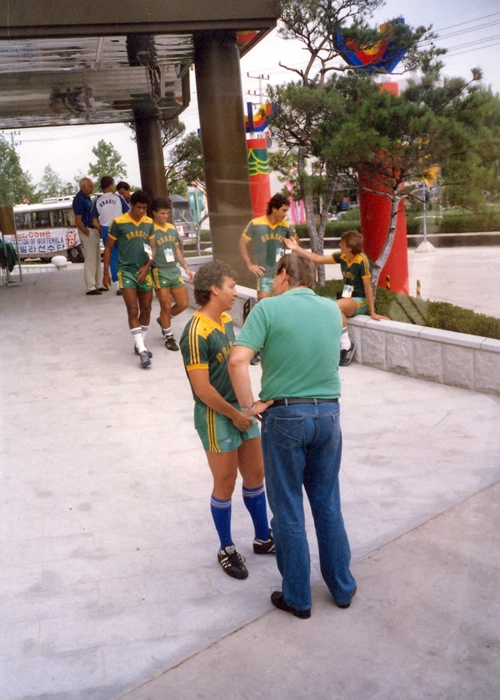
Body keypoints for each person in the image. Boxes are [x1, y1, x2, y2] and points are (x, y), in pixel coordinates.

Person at [229, 252, 357, 618]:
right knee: (327, 502)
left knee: (287, 510)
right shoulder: (332, 311)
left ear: (284, 275)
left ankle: (298, 597)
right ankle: (342, 587)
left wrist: (249, 406)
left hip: (285, 415)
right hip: (329, 413)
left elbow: (238, 360)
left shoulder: (268, 310)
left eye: (274, 275)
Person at [179, 260, 275, 580]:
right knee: (225, 482)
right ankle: (226, 547)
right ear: (215, 289)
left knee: (255, 474)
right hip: (215, 415)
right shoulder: (194, 332)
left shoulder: (224, 320)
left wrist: (248, 408)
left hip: (239, 411)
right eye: (232, 286)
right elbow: (202, 389)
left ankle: (263, 538)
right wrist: (235, 415)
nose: (236, 292)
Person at [285, 230, 387, 366]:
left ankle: (346, 346)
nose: (340, 245)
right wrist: (296, 248)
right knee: (319, 305)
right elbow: (317, 259)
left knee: (335, 306)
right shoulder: (342, 256)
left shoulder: (363, 261)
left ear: (349, 248)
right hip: (346, 296)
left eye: (342, 244)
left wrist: (372, 312)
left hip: (359, 300)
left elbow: (368, 288)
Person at [238, 192, 298, 363]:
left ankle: (277, 345)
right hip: (264, 274)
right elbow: (242, 243)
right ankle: (254, 347)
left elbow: (297, 243)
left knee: (280, 309)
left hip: (281, 274)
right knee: (262, 308)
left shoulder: (285, 225)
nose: (285, 214)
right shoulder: (256, 224)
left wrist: (291, 253)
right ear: (274, 208)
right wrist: (250, 264)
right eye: (284, 210)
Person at [102, 190, 155, 369]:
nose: (142, 211)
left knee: (146, 309)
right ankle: (142, 350)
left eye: (144, 208)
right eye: (139, 208)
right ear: (131, 205)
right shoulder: (119, 222)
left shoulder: (149, 223)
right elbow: (108, 248)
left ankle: (140, 342)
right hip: (126, 271)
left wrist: (147, 267)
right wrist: (106, 272)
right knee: (133, 309)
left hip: (144, 271)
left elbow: (153, 249)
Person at [150, 197, 194, 351]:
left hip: (173, 270)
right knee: (166, 305)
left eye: (166, 213)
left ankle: (164, 320)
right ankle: (169, 336)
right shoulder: (150, 229)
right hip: (159, 270)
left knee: (183, 303)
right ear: (154, 213)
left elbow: (176, 250)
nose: (165, 216)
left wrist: (186, 268)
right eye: (162, 213)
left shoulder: (171, 228)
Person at [91, 176, 129, 295]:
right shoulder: (118, 198)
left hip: (107, 228)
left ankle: (118, 286)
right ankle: (126, 282)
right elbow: (128, 212)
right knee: (124, 254)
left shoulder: (97, 201)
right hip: (121, 226)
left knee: (112, 256)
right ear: (111, 185)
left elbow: (94, 221)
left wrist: (101, 229)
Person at [72, 177, 104, 295]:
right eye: (90, 186)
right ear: (83, 186)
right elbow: (78, 219)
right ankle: (91, 286)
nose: (92, 188)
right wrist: (86, 232)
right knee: (90, 259)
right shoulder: (79, 200)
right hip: (88, 230)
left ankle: (98, 283)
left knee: (96, 258)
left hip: (93, 229)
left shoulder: (88, 199)